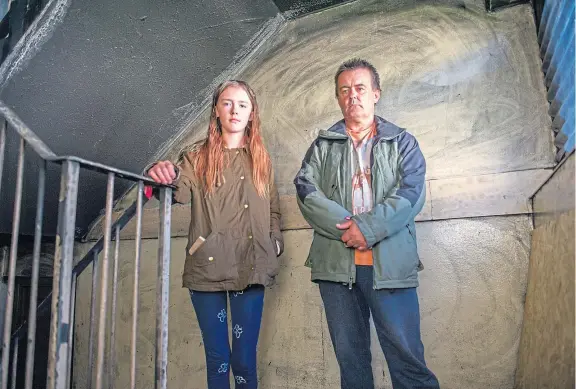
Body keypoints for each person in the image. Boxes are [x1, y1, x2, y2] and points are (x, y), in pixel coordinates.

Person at [294, 58, 440, 389]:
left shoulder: (403, 142)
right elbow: (306, 192)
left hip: (390, 266)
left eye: (360, 88)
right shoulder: (322, 145)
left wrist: (368, 229)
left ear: (376, 93)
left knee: (408, 360)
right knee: (352, 362)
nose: (352, 95)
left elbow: (411, 195)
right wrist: (351, 228)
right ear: (337, 97)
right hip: (336, 268)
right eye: (344, 90)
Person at [147, 80, 283, 389]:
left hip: (252, 266)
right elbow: (176, 189)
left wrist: (274, 243)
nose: (235, 110)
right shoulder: (196, 157)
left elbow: (273, 209)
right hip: (207, 268)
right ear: (216, 110)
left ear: (252, 114)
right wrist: (160, 172)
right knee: (219, 359)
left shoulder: (262, 159)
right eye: (227, 103)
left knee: (244, 361)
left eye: (242, 105)